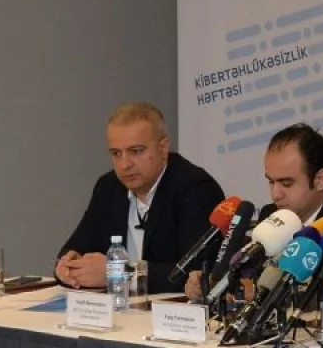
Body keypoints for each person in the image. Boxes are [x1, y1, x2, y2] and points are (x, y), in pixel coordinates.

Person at [185, 123, 323, 299]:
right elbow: (246, 278)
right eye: (271, 181)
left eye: (286, 183)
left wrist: (264, 293)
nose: (275, 194)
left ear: (320, 180)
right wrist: (213, 285)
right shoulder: (270, 216)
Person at [55, 102, 225, 295]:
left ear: (163, 148)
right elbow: (73, 249)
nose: (124, 164)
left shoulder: (196, 188)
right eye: (116, 153)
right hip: (120, 308)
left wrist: (117, 272)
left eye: (136, 151)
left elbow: (197, 276)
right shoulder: (108, 188)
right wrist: (66, 266)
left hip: (173, 311)